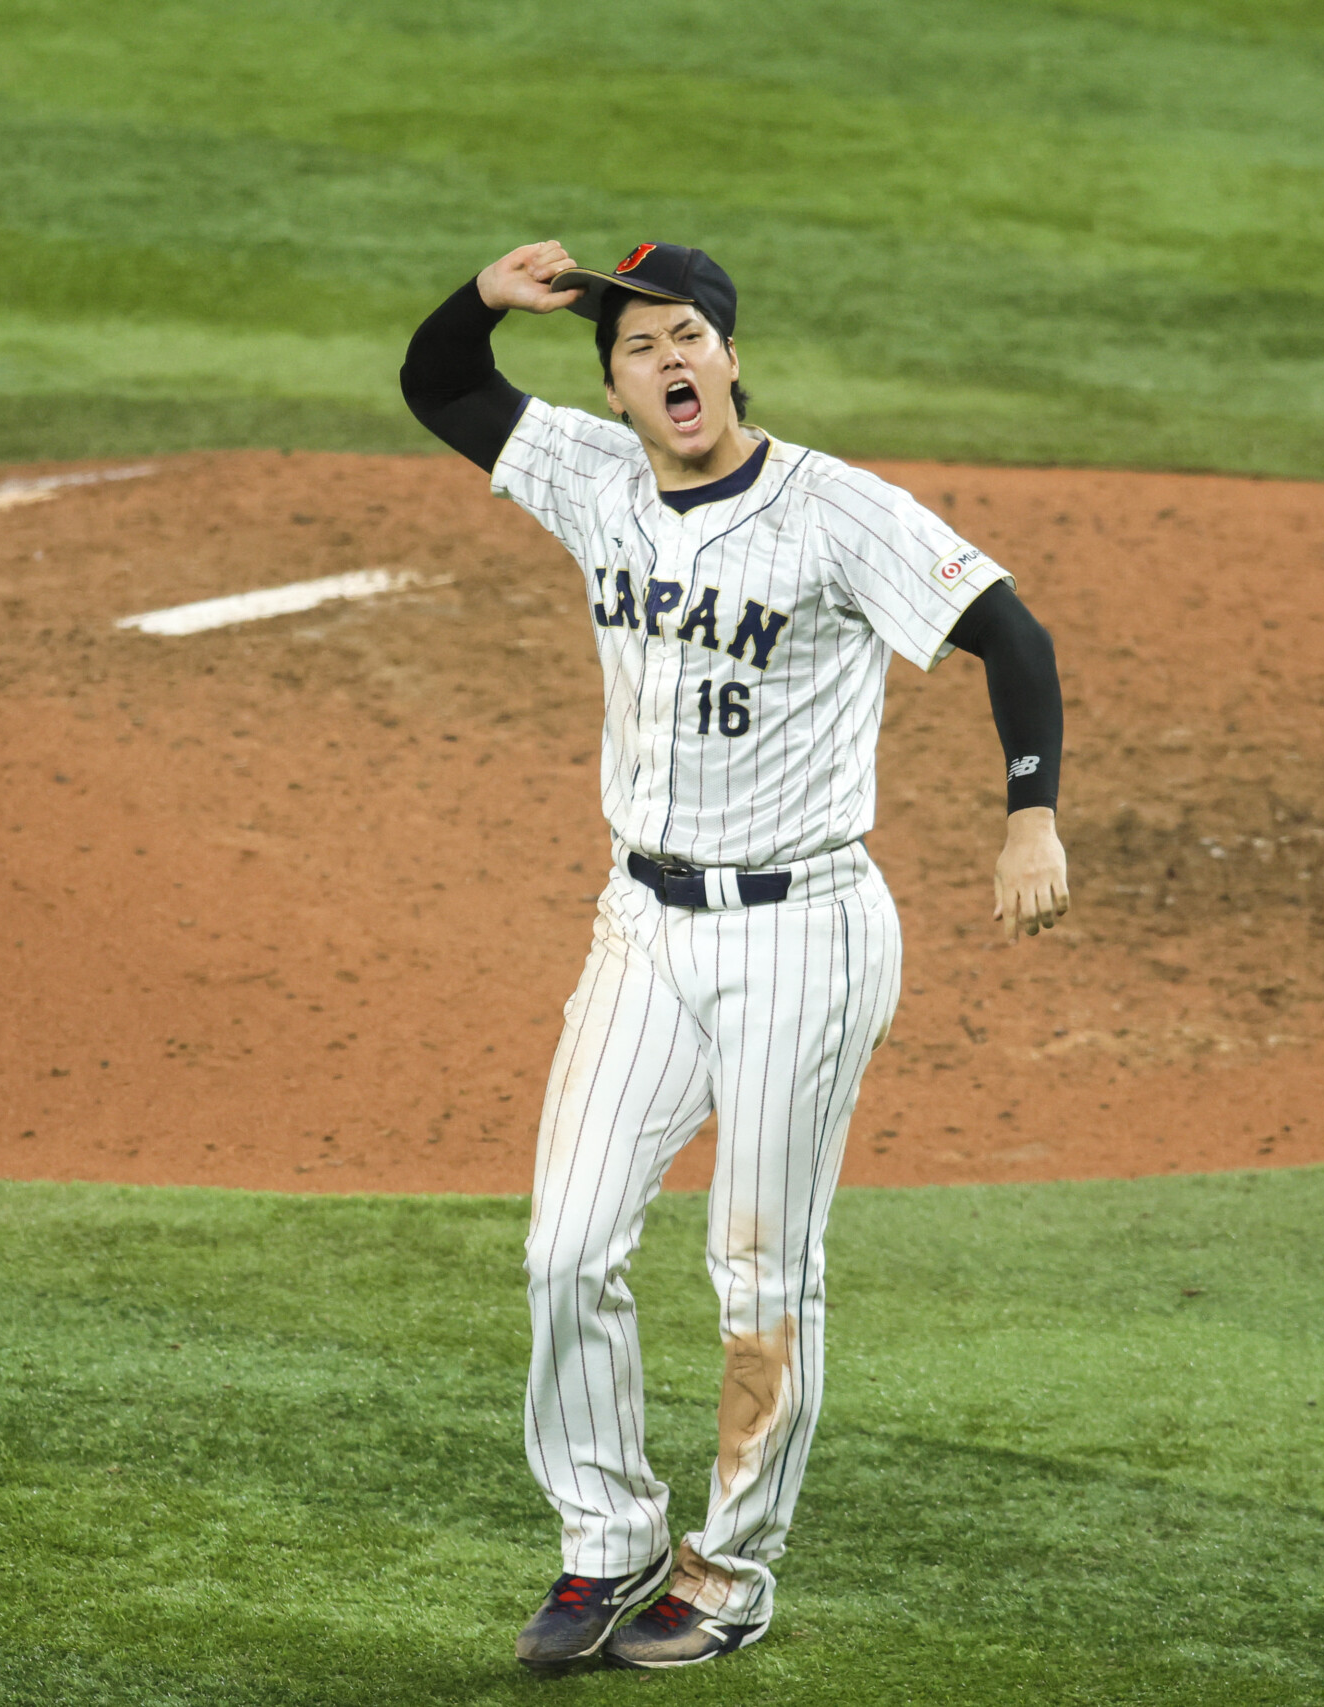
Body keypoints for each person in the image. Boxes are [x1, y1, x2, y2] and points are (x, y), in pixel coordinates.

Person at [398, 239, 1069, 1672]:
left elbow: (1010, 632)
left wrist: (1031, 818)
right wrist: (483, 300)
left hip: (804, 932)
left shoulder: (835, 512)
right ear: (620, 388)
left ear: (733, 356)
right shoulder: (591, 478)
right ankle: (608, 1543)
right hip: (641, 923)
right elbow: (440, 385)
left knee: (760, 1276)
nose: (671, 362)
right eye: (640, 348)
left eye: (690, 335)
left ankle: (731, 1568)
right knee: (566, 1249)